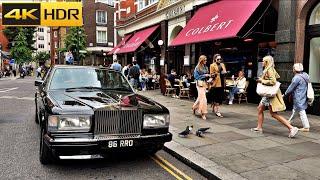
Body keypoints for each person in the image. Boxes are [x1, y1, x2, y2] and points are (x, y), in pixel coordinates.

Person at [251, 55, 299, 138]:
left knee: (273, 113)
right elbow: (275, 77)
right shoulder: (269, 69)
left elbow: (273, 81)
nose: (262, 62)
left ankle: (291, 128)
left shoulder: (269, 69)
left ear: (267, 62)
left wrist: (261, 80)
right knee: (260, 109)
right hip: (268, 94)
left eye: (263, 61)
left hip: (270, 95)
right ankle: (259, 127)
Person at [284, 63, 310, 132]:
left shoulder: (296, 78)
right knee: (295, 110)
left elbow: (291, 88)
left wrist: (285, 94)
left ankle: (306, 127)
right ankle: (290, 121)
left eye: (293, 68)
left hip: (298, 96)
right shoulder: (306, 75)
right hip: (303, 95)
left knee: (301, 110)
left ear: (295, 70)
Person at [192, 55, 210, 120]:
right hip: (199, 84)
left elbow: (206, 76)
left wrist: (208, 77)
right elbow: (196, 77)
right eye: (204, 60)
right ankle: (203, 113)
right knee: (204, 99)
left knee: (200, 98)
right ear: (201, 60)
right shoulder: (197, 67)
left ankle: (194, 107)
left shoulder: (206, 67)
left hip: (205, 83)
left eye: (206, 60)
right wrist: (204, 75)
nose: (206, 61)